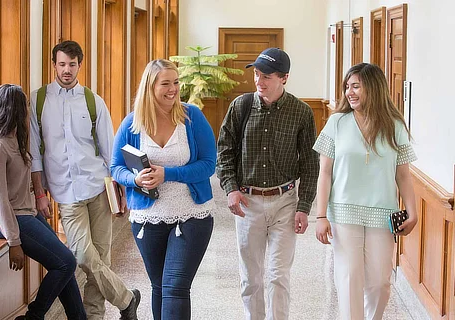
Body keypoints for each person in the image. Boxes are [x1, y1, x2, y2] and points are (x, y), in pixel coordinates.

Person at [29, 40, 140, 320]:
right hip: (65, 194)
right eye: (62, 64)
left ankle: (95, 317)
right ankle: (126, 299)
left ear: (80, 65)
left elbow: (109, 150)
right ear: (53, 64)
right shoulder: (38, 100)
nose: (67, 70)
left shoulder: (93, 101)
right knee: (82, 257)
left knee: (100, 259)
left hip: (98, 189)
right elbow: (33, 153)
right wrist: (39, 193)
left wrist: (122, 190)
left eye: (72, 64)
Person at [216, 48, 320, 320]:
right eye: (257, 75)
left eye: (266, 77)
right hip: (248, 203)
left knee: (277, 275)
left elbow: (310, 163)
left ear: (284, 78)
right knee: (251, 278)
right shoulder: (241, 106)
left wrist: (304, 207)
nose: (259, 82)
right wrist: (231, 188)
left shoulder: (301, 112)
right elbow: (225, 151)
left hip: (285, 201)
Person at [110, 59, 216, 320]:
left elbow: (208, 165)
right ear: (150, 87)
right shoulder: (132, 124)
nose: (173, 89)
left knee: (176, 287)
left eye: (176, 82)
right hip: (148, 219)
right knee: (159, 287)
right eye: (166, 83)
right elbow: (116, 167)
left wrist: (168, 174)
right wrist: (136, 180)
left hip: (192, 215)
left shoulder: (192, 117)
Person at [313, 63, 418, 320]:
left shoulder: (394, 126)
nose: (350, 92)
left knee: (380, 283)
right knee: (349, 280)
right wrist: (321, 215)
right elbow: (325, 172)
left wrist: (413, 212)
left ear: (373, 87)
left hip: (383, 213)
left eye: (356, 86)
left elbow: (403, 174)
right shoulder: (337, 122)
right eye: (347, 87)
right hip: (344, 211)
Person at [0, 84, 86, 320]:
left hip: (22, 212)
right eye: (25, 105)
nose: (28, 110)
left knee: (64, 261)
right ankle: (33, 317)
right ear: (13, 110)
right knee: (65, 262)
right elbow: (0, 200)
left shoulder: (15, 138)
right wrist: (14, 241)